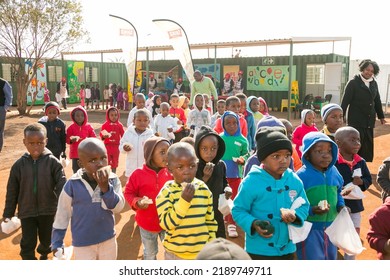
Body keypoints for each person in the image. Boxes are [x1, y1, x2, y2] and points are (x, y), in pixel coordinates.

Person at [232, 127, 309, 260]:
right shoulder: (251, 181)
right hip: (258, 250)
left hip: (287, 248)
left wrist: (295, 216)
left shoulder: (294, 180)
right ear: (262, 159)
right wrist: (254, 223)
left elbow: (304, 205)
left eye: (287, 155)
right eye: (276, 156)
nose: (283, 160)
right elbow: (238, 210)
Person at [51, 138, 125, 260]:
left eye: (103, 158)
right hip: (83, 243)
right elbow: (62, 213)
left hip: (108, 240)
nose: (100, 163)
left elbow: (118, 207)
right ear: (81, 164)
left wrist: (106, 188)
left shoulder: (113, 179)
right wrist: (57, 242)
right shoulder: (72, 185)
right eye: (93, 160)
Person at [3, 123, 66, 260]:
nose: (35, 146)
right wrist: (8, 214)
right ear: (24, 142)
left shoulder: (53, 162)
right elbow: (12, 191)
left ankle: (44, 252)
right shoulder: (18, 165)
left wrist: (64, 206)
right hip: (26, 212)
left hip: (48, 210)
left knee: (47, 239)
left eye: (40, 142)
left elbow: (62, 184)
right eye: (31, 143)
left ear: (46, 141)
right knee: (27, 242)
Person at [155, 142, 217, 260]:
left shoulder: (203, 188)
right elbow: (167, 224)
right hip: (175, 255)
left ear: (197, 165)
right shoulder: (167, 192)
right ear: (169, 169)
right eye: (180, 167)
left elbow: (210, 221)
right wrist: (184, 201)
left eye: (191, 166)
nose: (187, 171)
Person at [296, 132, 346, 260]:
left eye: (329, 151)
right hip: (310, 230)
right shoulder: (301, 177)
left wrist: (340, 205)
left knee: (330, 258)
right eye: (319, 151)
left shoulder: (334, 172)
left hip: (331, 228)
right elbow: (294, 204)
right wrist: (311, 210)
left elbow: (338, 192)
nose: (326, 155)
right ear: (307, 154)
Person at [124, 136, 172, 260]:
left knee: (171, 252)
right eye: (162, 152)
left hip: (167, 223)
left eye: (169, 151)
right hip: (147, 224)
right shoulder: (138, 174)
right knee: (150, 253)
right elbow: (129, 193)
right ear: (150, 155)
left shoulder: (171, 174)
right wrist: (137, 202)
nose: (167, 156)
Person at [334, 126, 372, 260]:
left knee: (353, 235)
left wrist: (361, 182)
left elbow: (368, 179)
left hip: (355, 206)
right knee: (336, 234)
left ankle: (349, 261)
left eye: (358, 140)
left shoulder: (360, 162)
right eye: (352, 140)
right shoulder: (333, 163)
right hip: (336, 207)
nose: (357, 143)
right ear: (338, 143)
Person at [341, 59, 386, 162]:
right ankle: (351, 165)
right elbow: (345, 101)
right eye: (367, 69)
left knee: (366, 145)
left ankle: (363, 166)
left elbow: (377, 100)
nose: (369, 72)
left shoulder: (374, 83)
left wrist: (381, 116)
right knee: (355, 144)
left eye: (372, 71)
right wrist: (340, 115)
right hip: (356, 120)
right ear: (362, 69)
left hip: (369, 120)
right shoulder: (353, 83)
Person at [194, 125, 231, 238]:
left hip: (217, 212)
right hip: (201, 213)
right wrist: (205, 177)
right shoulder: (194, 167)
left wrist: (227, 189)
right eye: (204, 149)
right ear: (197, 149)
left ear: (218, 147)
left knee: (219, 240)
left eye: (213, 148)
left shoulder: (221, 165)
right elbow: (193, 190)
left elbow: (224, 182)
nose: (209, 153)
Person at [220, 111, 250, 238]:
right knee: (222, 198)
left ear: (239, 124)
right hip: (221, 175)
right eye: (228, 123)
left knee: (233, 199)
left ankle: (232, 225)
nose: (231, 126)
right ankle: (226, 218)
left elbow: (247, 154)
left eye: (234, 123)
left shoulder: (242, 140)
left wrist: (243, 159)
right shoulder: (220, 138)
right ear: (223, 124)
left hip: (236, 175)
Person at [120, 108, 154, 178]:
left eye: (145, 120)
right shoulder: (128, 133)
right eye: (139, 120)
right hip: (131, 169)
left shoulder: (150, 135)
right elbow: (121, 145)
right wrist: (124, 147)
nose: (142, 123)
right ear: (133, 121)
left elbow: (153, 152)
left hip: (145, 170)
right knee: (131, 187)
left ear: (149, 122)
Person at [66, 106, 96, 174]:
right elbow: (67, 140)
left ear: (85, 116)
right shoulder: (71, 128)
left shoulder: (89, 127)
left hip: (86, 153)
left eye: (82, 115)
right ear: (73, 117)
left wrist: (88, 140)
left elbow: (94, 138)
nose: (80, 117)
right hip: (75, 154)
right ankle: (77, 183)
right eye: (77, 115)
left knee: (87, 170)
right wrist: (71, 140)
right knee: (76, 171)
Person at [100, 107, 125, 174]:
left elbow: (123, 135)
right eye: (112, 115)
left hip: (116, 146)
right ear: (108, 115)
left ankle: (113, 174)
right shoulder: (105, 125)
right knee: (107, 160)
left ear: (118, 115)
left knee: (115, 160)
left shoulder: (119, 125)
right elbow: (101, 134)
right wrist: (104, 136)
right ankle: (107, 174)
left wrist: (124, 143)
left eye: (115, 115)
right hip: (107, 146)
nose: (114, 117)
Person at [0, 77, 13, 153]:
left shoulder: (3, 83)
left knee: (0, 130)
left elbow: (9, 95)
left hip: (0, 109)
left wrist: (5, 107)